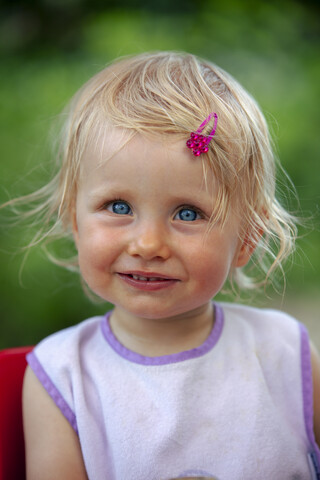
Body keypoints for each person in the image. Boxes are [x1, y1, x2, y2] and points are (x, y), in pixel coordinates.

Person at [17, 52, 320, 479]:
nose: (148, 244)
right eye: (118, 206)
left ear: (246, 241)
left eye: (189, 213)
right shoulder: (63, 375)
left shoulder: (285, 352)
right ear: (75, 221)